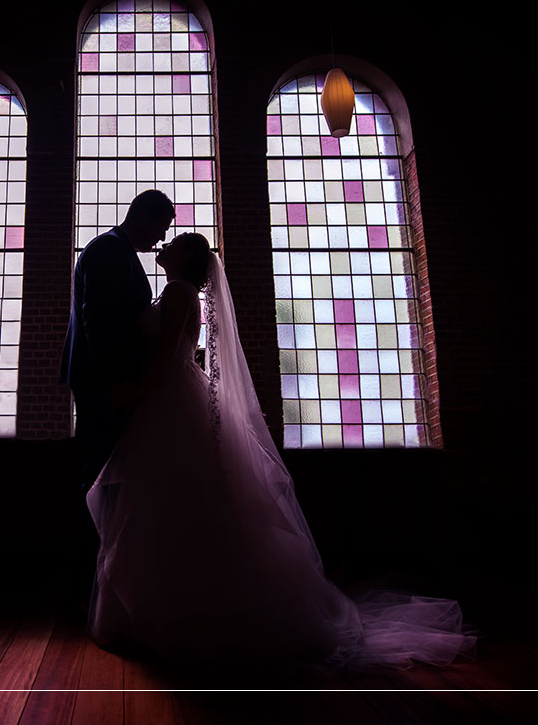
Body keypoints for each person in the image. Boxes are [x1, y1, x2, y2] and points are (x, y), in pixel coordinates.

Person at [85, 232, 476, 677]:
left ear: (187, 258)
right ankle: (182, 611)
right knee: (181, 507)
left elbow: (163, 361)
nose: (165, 245)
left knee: (161, 506)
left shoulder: (176, 292)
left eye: (174, 242)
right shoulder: (186, 294)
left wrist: (135, 393)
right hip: (177, 398)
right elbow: (183, 353)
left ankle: (163, 617)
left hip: (166, 401)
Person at [59, 189, 175, 597]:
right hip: (104, 384)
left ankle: (105, 580)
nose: (160, 240)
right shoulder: (109, 250)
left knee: (107, 477)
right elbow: (99, 322)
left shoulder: (117, 250)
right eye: (160, 228)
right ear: (143, 216)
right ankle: (93, 583)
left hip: (110, 382)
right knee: (100, 477)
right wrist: (116, 383)